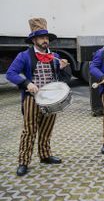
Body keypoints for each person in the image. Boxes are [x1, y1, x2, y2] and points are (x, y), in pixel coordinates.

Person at [6, 18, 71, 176]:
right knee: (29, 130)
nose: (45, 40)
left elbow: (64, 79)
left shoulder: (54, 56)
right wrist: (27, 83)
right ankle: (23, 161)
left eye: (47, 38)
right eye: (41, 38)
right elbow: (11, 74)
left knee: (47, 129)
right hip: (32, 99)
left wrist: (63, 68)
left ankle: (45, 155)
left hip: (51, 99)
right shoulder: (24, 56)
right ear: (34, 40)